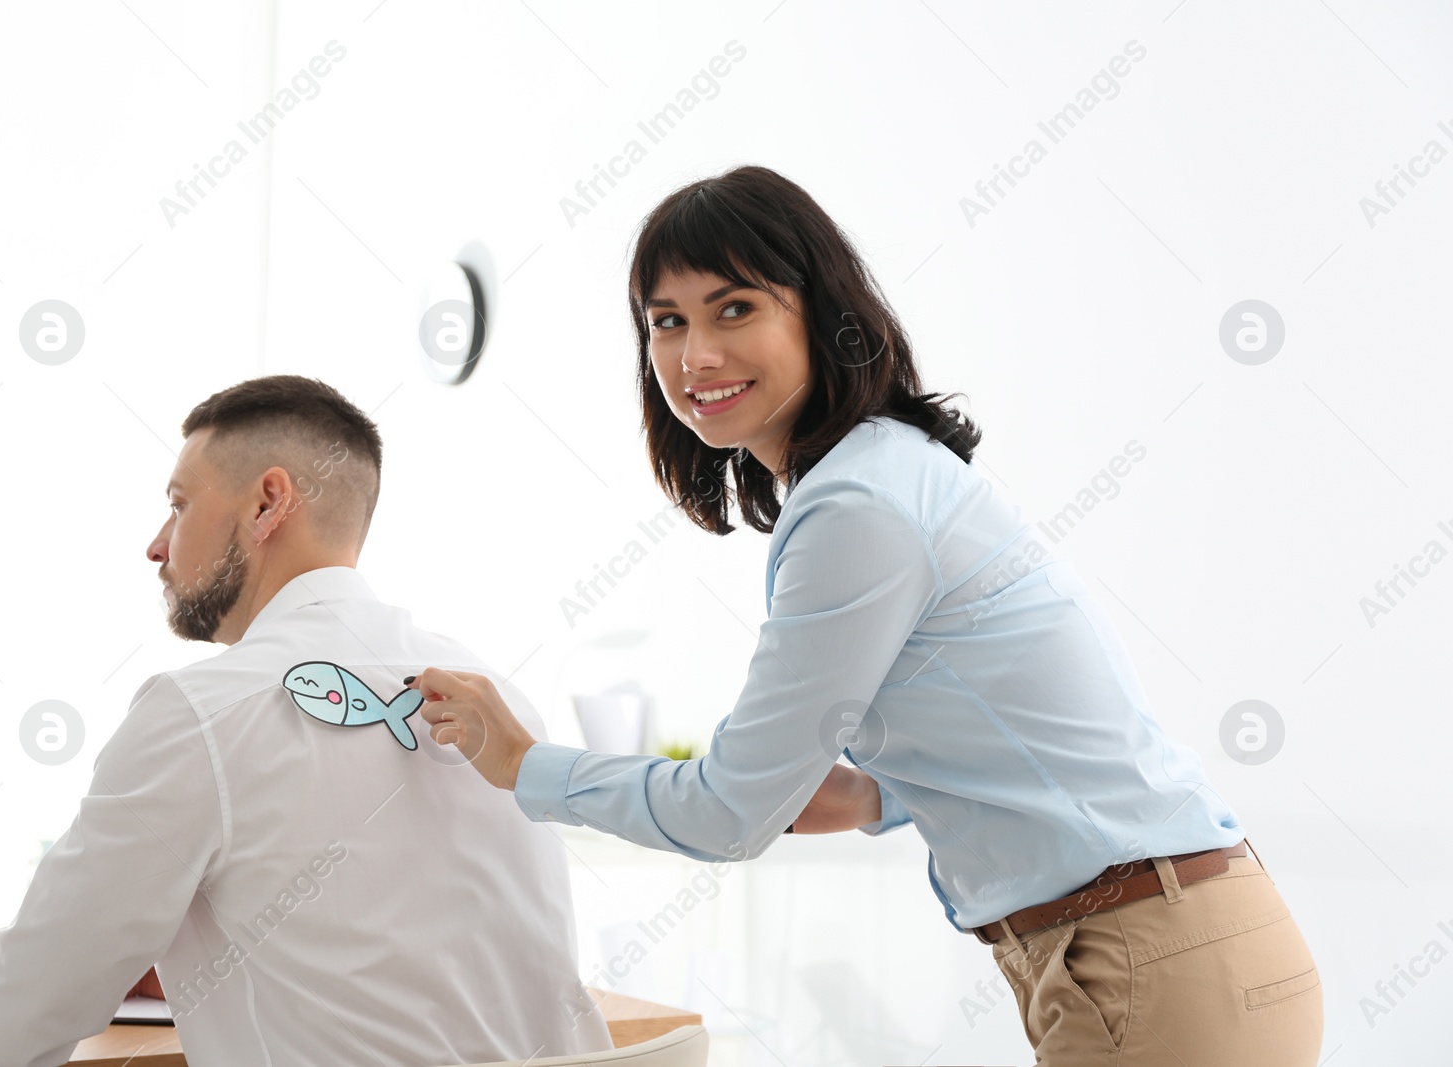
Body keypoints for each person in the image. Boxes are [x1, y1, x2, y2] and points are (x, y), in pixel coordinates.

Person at [405, 165, 1324, 1065]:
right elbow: (1007, 716)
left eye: (735, 308)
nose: (697, 356)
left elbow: (729, 814)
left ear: (821, 313)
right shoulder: (883, 471)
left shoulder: (858, 507)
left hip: (1149, 961)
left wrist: (525, 763)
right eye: (666, 322)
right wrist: (876, 793)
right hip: (1170, 943)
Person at [0, 375, 612, 1067]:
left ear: (267, 503)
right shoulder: (497, 699)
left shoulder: (201, 714)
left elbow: (7, 1027)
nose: (157, 545)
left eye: (178, 505)